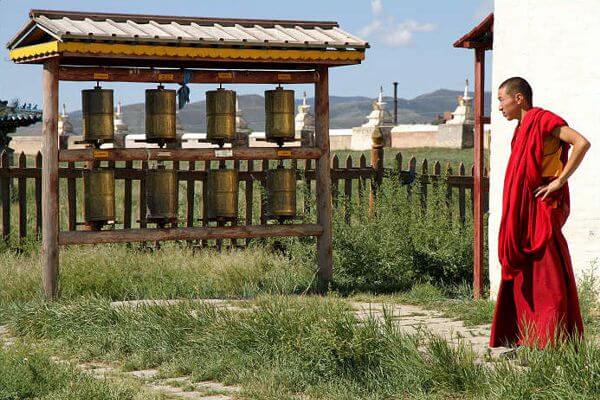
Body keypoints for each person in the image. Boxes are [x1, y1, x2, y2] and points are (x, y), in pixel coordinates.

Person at [489, 77, 591, 350]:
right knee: (526, 270)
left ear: (519, 98)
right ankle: (526, 334)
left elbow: (581, 142)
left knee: (549, 272)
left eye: (502, 99)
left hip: (542, 207)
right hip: (524, 209)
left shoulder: (542, 120)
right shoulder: (521, 129)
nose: (499, 106)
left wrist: (559, 181)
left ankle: (554, 337)